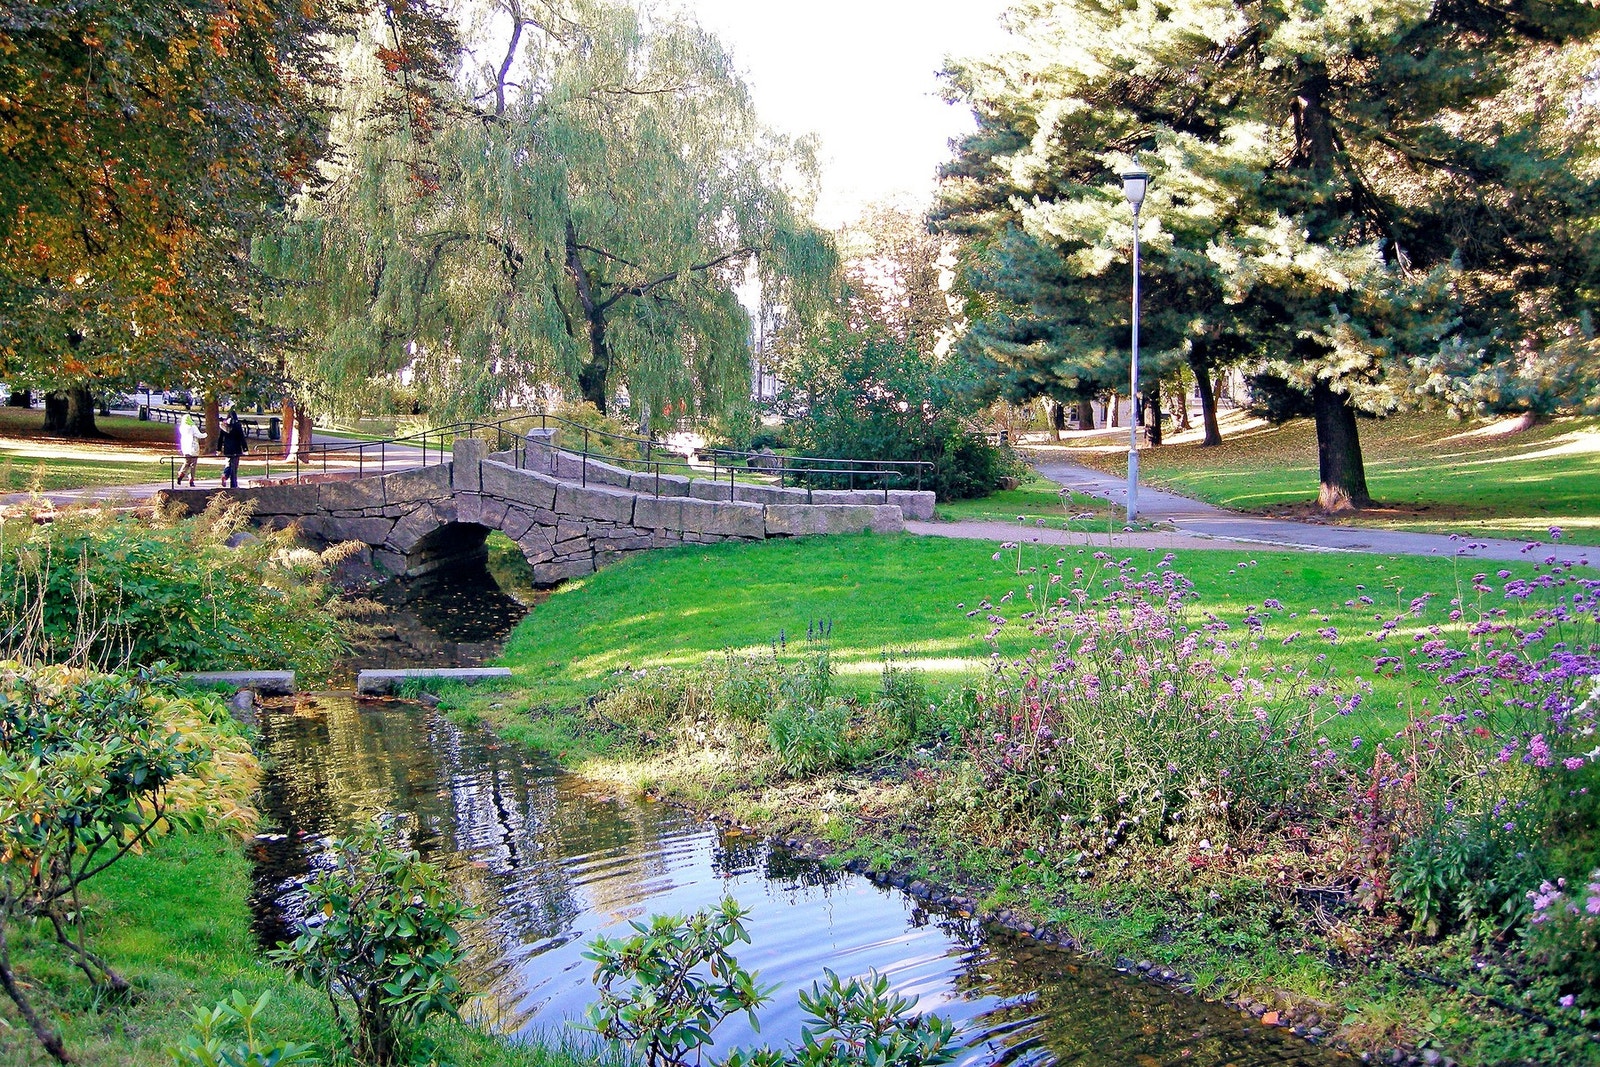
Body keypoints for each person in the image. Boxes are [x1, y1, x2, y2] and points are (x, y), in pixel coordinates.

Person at [217, 411, 248, 489]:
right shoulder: (237, 425)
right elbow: (242, 437)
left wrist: (219, 449)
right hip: (236, 448)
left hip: (227, 448)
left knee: (228, 464)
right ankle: (233, 484)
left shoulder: (224, 425)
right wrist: (245, 449)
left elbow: (220, 438)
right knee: (234, 467)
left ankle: (225, 475)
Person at [175, 413, 200, 486]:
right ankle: (191, 479)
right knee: (193, 464)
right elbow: (198, 435)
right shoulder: (192, 427)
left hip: (185, 447)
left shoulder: (182, 428)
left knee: (187, 462)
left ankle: (181, 474)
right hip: (193, 448)